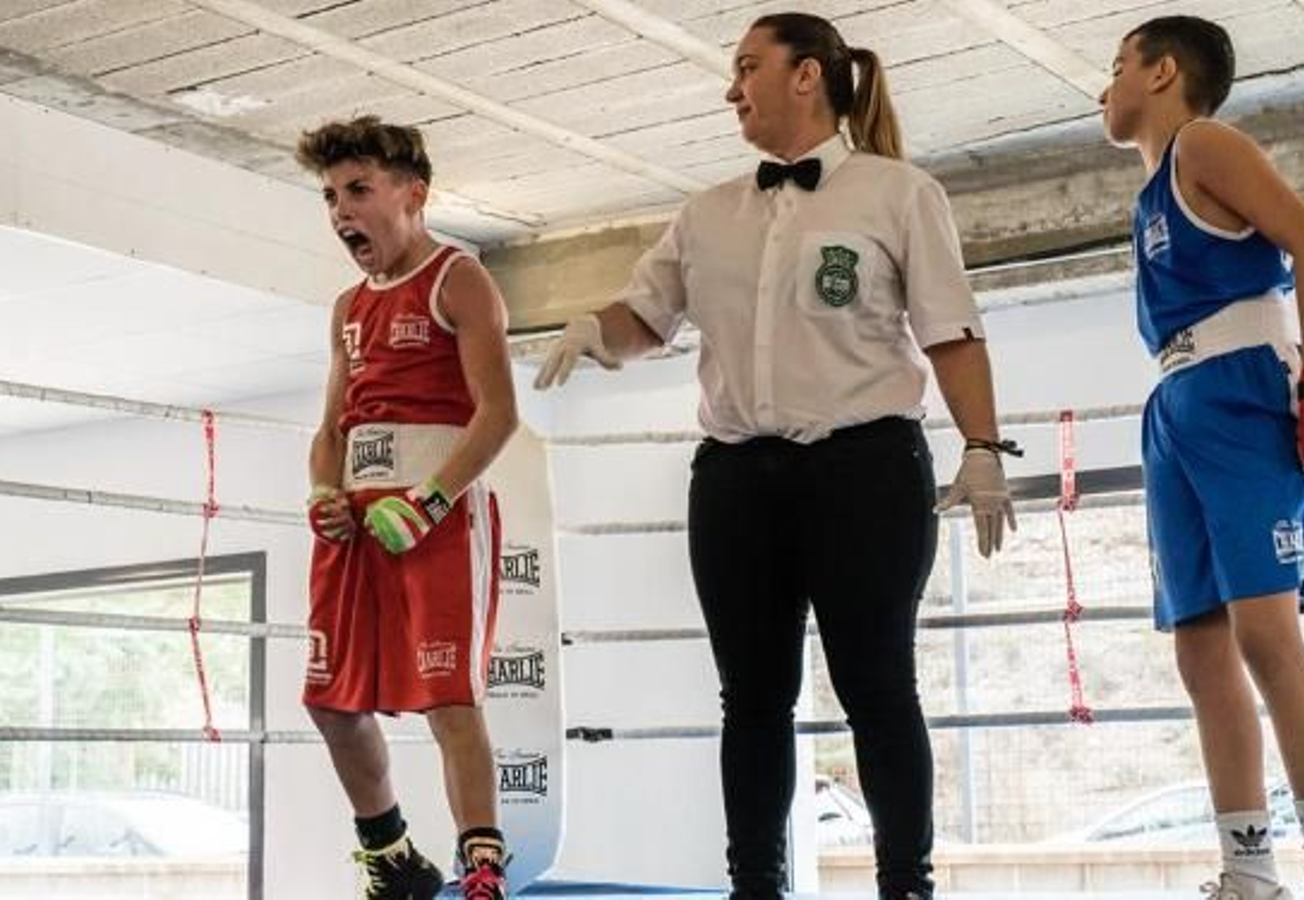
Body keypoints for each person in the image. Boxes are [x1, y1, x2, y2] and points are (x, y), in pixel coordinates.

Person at [533, 12, 1016, 898]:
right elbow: (648, 317)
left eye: (748, 66)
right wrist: (591, 329)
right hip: (735, 477)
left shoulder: (897, 193)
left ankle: (905, 883)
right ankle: (754, 884)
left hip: (863, 465)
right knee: (750, 699)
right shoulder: (707, 211)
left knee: (878, 688)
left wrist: (981, 447)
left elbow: (951, 332)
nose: (731, 89)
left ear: (808, 77)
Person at [1098, 15, 1304, 900]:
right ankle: (1249, 870)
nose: (1104, 87)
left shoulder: (1203, 145)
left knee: (1264, 632)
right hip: (1175, 403)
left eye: (1117, 66)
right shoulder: (1148, 199)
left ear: (1164, 72)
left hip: (1245, 385)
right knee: (1201, 650)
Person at [297, 116, 520, 900]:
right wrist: (324, 494)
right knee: (330, 700)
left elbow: (498, 414)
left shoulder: (460, 278)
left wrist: (428, 501)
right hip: (356, 524)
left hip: (439, 517)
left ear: (413, 194)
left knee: (448, 696)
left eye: (358, 190)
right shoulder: (347, 306)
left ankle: (483, 870)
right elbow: (330, 430)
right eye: (330, 196)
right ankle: (392, 856)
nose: (341, 211)